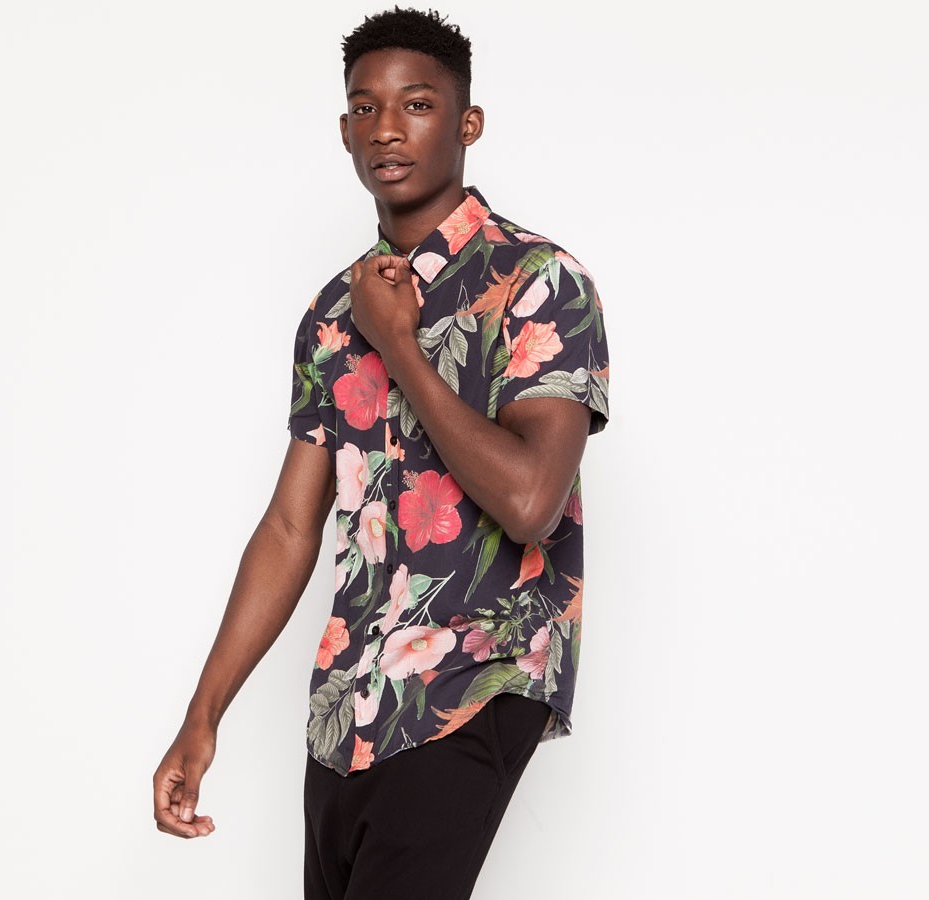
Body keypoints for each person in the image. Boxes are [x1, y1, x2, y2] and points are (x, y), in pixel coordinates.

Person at [151, 6, 612, 898]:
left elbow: (531, 503)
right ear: (343, 130)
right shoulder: (333, 312)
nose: (387, 128)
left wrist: (399, 343)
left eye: (418, 104)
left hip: (473, 680)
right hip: (348, 702)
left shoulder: (539, 282)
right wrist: (203, 715)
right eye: (365, 108)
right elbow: (290, 527)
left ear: (468, 123)